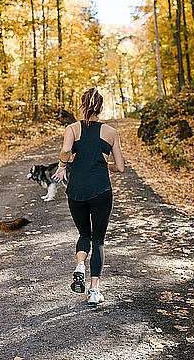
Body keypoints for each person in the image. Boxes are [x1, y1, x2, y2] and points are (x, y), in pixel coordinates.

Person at [52, 87, 125, 306]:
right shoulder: (111, 132)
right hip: (101, 191)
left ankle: (80, 265)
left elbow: (66, 150)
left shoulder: (72, 129)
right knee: (99, 240)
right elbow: (120, 167)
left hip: (76, 191)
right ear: (101, 108)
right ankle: (94, 291)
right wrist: (104, 163)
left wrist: (62, 165)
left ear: (83, 106)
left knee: (84, 234)